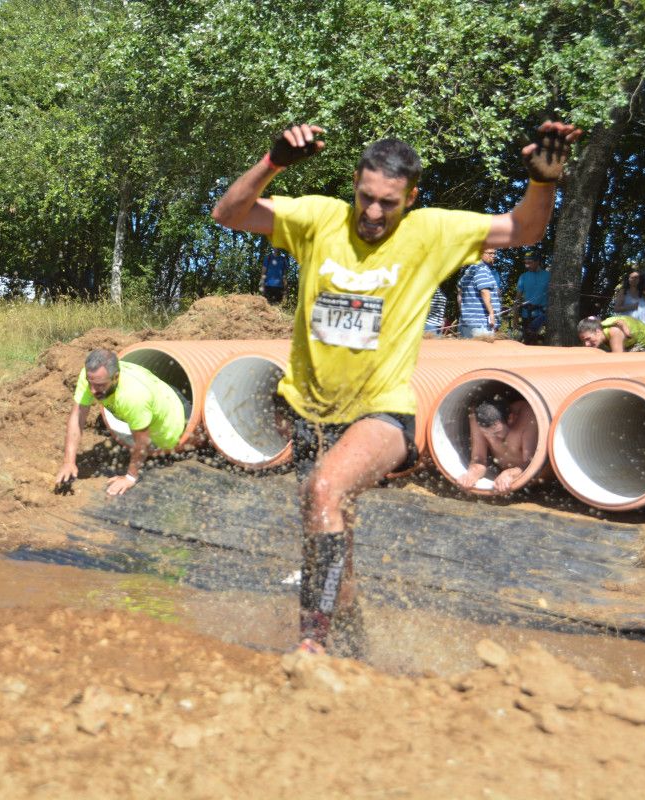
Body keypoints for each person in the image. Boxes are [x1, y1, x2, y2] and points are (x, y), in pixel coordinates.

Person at [210, 119, 581, 655]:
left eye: (389, 203)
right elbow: (228, 214)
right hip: (312, 412)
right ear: (354, 187)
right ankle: (355, 644)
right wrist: (273, 164)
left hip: (382, 412)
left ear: (412, 197)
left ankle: (310, 647)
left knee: (322, 490)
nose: (374, 214)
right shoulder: (319, 218)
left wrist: (543, 184)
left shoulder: (432, 231)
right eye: (365, 198)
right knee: (332, 539)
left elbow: (523, 230)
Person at [55, 348, 201, 496]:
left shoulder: (133, 396)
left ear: (116, 377)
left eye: (100, 385)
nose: (92, 390)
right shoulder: (93, 377)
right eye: (90, 382)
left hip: (180, 421)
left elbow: (143, 440)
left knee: (199, 440)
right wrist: (69, 461)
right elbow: (78, 416)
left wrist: (131, 477)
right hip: (161, 395)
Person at [456, 397, 537, 495]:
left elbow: (533, 464)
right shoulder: (478, 419)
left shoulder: (528, 416)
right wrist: (471, 474)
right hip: (500, 470)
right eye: (486, 434)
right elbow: (479, 459)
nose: (492, 438)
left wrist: (509, 474)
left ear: (511, 418)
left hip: (530, 478)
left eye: (497, 432)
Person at [457, 248, 501, 337]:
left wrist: (464, 312)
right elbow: (484, 291)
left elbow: (459, 292)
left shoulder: (469, 270)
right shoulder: (481, 269)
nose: (493, 256)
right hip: (480, 324)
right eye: (490, 253)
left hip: (468, 321)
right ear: (480, 254)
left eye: (494, 253)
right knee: (482, 351)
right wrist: (491, 313)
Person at [513, 252, 550, 344]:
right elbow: (517, 298)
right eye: (525, 263)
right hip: (527, 315)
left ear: (537, 261)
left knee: (542, 342)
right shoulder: (523, 277)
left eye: (529, 262)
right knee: (528, 342)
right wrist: (515, 318)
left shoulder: (548, 276)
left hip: (543, 315)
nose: (527, 266)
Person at [577, 315, 645, 352]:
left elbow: (617, 359)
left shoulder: (613, 331)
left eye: (588, 339)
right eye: (583, 341)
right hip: (633, 344)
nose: (586, 344)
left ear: (598, 331)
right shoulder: (604, 334)